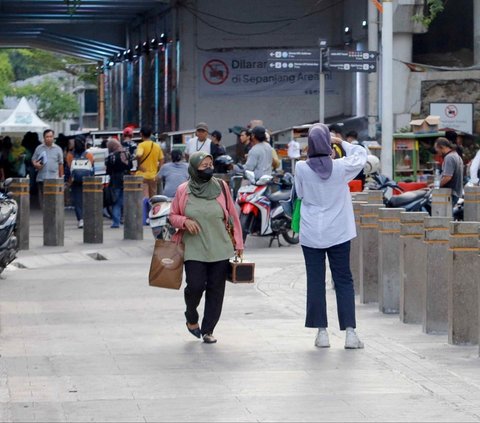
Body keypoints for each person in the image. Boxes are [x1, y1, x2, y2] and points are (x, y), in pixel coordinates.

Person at [294, 123, 367, 350]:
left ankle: (322, 333)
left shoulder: (301, 167)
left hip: (312, 232)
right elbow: (361, 154)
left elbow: (301, 193)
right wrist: (340, 142)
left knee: (315, 281)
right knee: (343, 279)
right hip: (339, 231)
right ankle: (350, 334)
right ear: (327, 142)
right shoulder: (341, 167)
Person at [169, 152, 244, 344]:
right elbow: (172, 216)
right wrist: (184, 221)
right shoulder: (183, 190)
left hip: (220, 246)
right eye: (204, 165)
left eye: (210, 164)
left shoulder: (221, 187)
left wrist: (238, 243)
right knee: (195, 286)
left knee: (216, 290)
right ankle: (191, 316)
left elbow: (232, 216)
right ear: (194, 168)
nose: (208, 168)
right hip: (193, 248)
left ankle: (208, 329)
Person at [66, 135, 95, 228]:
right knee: (87, 199)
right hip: (87, 181)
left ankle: (80, 219)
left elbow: (68, 168)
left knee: (77, 201)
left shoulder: (70, 155)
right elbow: (92, 168)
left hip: (75, 181)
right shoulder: (89, 155)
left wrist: (67, 181)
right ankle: (87, 218)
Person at [32, 129, 64, 208]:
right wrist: (35, 164)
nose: (49, 138)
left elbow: (61, 164)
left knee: (53, 200)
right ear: (44, 138)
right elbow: (33, 159)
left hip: (54, 178)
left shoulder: (58, 149)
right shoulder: (39, 148)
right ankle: (46, 217)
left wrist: (61, 178)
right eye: (47, 137)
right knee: (43, 201)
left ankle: (52, 217)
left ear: (53, 137)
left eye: (50, 136)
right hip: (42, 178)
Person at [106, 138, 132, 228]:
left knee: (116, 202)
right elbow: (130, 166)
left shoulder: (111, 156)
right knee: (125, 201)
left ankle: (116, 222)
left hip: (115, 181)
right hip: (127, 180)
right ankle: (127, 219)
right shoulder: (126, 153)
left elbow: (108, 170)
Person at [135, 127, 164, 199]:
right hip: (153, 176)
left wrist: (139, 165)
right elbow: (162, 159)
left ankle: (144, 210)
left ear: (141, 134)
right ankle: (152, 210)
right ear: (151, 134)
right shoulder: (157, 146)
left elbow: (139, 155)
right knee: (153, 198)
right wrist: (159, 172)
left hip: (142, 176)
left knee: (144, 198)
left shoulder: (141, 145)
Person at [434, 137, 464, 206]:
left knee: (444, 215)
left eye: (437, 150)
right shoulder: (456, 155)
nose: (437, 153)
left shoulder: (449, 158)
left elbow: (447, 177)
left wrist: (436, 185)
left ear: (441, 147)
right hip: (456, 193)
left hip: (450, 194)